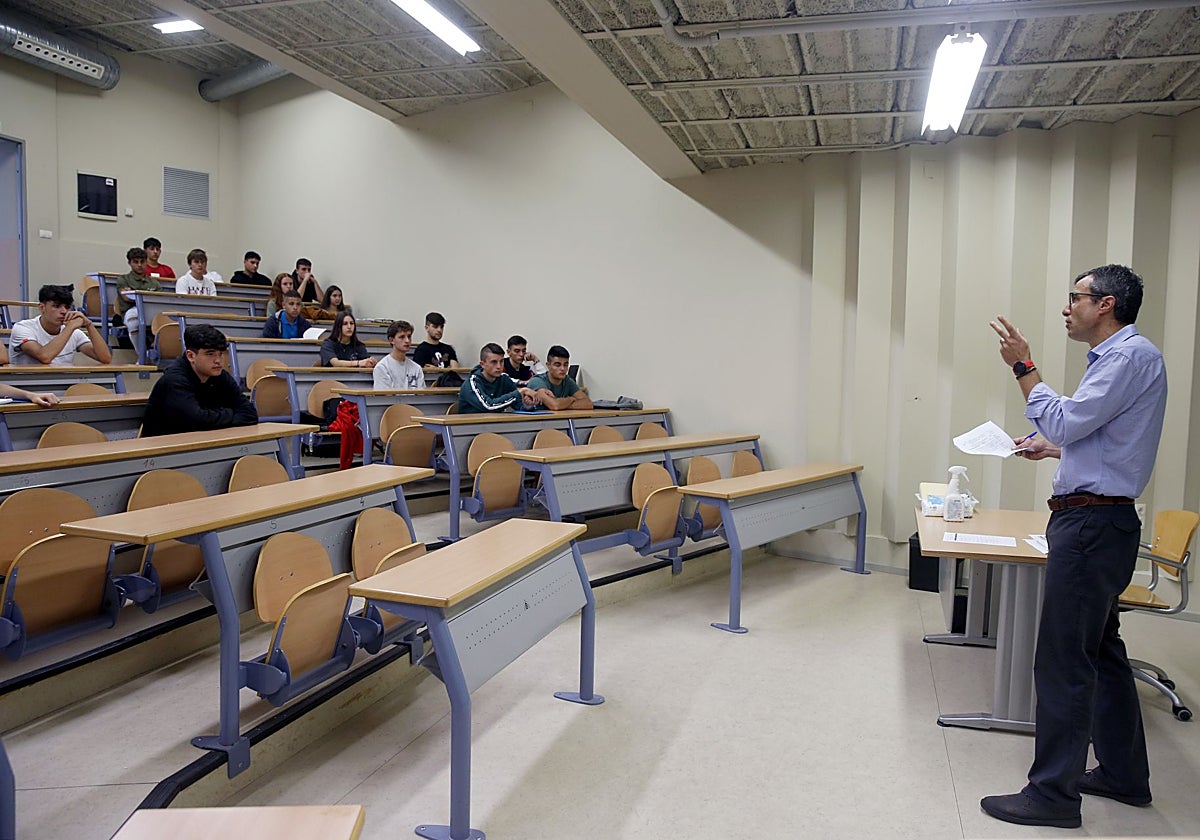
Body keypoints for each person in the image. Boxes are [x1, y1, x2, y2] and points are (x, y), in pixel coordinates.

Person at [981, 264, 1166, 830]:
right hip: (1101, 524)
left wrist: (1024, 367)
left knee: (1065, 662)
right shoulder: (1127, 359)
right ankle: (1124, 776)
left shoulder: (1126, 357)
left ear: (1105, 304)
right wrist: (1057, 452)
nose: (1067, 307)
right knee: (1103, 654)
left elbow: (1064, 421)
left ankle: (1053, 796)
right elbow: (1104, 441)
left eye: (1075, 298)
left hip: (1089, 530)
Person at [142, 324, 258, 437]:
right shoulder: (174, 381)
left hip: (202, 443)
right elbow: (197, 420)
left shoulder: (220, 375)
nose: (218, 360)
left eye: (221, 354)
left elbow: (250, 414)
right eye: (210, 354)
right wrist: (231, 413)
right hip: (164, 449)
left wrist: (214, 417)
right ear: (191, 356)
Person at [9, 284, 112, 366]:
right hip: (27, 389)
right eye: (57, 306)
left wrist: (89, 325)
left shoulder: (74, 332)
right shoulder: (23, 328)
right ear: (42, 308)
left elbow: (105, 358)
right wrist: (70, 327)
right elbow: (44, 356)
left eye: (67, 307)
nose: (63, 311)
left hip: (64, 386)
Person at [457, 343, 537, 414]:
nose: (499, 366)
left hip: (495, 426)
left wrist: (527, 406)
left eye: (501, 361)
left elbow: (517, 405)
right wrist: (520, 392)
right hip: (470, 427)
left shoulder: (504, 379)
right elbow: (489, 406)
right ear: (483, 364)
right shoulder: (472, 382)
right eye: (494, 362)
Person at [114, 246, 161, 340]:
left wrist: (133, 293)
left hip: (151, 312)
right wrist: (148, 296)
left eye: (142, 262)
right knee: (133, 321)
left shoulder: (154, 282)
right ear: (130, 263)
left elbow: (159, 300)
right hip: (130, 311)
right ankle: (141, 353)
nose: (139, 265)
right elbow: (127, 298)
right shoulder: (123, 279)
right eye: (136, 262)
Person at [526, 345, 592, 410]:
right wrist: (571, 399)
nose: (563, 368)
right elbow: (555, 405)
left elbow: (588, 404)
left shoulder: (567, 380)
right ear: (548, 365)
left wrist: (562, 405)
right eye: (557, 365)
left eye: (566, 365)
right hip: (537, 420)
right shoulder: (537, 381)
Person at [373, 320, 424, 390]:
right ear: (391, 340)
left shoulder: (417, 368)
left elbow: (422, 396)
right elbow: (383, 398)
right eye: (402, 337)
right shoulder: (382, 368)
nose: (407, 341)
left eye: (409, 336)